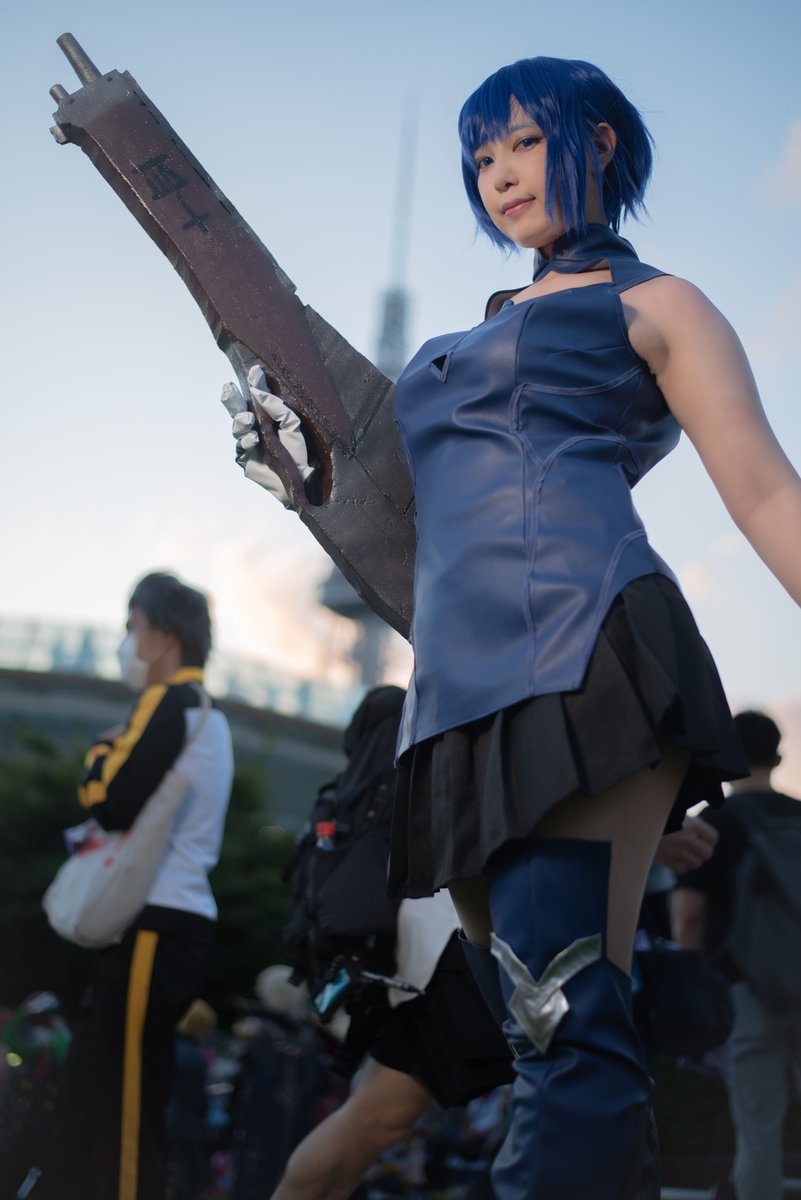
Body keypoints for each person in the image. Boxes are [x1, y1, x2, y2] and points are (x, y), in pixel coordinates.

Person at [225, 56, 801, 1199]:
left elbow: (766, 490)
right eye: (481, 157)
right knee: (555, 1029)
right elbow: (400, 512)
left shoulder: (658, 303)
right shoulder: (474, 333)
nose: (499, 173)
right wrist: (302, 475)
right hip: (451, 699)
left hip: (581, 649)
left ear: (598, 142)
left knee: (561, 1009)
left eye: (525, 142)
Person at [38, 571, 234, 1200]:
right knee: (100, 1095)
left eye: (133, 627)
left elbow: (112, 801)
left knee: (121, 1106)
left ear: (164, 635)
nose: (128, 642)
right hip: (165, 924)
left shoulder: (170, 700)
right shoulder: (207, 715)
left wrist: (98, 755)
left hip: (155, 923)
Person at [673, 711, 801, 1200]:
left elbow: (688, 917)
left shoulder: (715, 824)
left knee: (758, 1130)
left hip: (748, 990)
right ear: (780, 757)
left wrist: (690, 988)